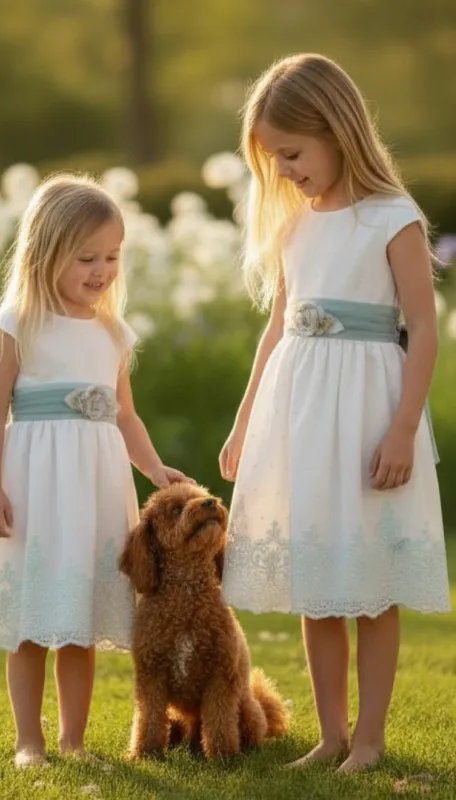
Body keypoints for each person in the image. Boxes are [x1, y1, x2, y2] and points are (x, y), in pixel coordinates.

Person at [219, 53, 450, 773]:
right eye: (273, 158)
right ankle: (332, 735)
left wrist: (405, 426)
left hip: (370, 412)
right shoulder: (294, 225)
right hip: (302, 412)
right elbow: (278, 324)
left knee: (372, 582)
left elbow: (423, 323)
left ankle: (372, 740)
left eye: (292, 152)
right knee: (316, 582)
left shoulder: (392, 217)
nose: (284, 170)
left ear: (336, 129)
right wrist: (244, 420)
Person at [0, 174, 191, 768]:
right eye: (86, 258)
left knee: (79, 623)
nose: (102, 270)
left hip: (95, 489)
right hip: (33, 487)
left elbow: (124, 415)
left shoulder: (111, 332)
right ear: (45, 252)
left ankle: (74, 742)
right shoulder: (15, 324)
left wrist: (154, 468)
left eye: (111, 256)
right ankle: (29, 740)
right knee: (32, 620)